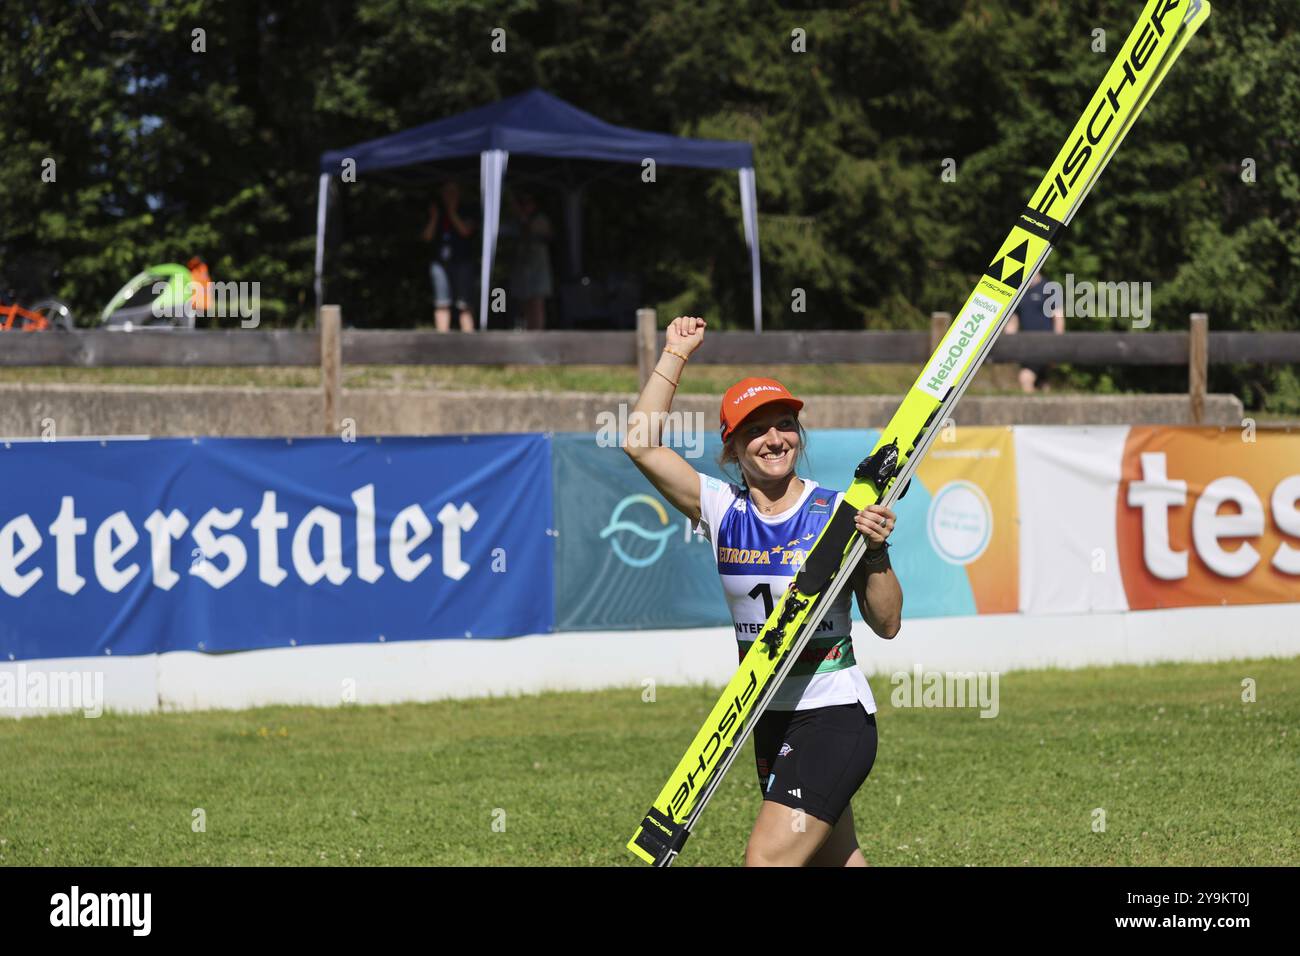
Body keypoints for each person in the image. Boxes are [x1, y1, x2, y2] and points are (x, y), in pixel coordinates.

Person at [622, 315, 903, 867]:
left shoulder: (836, 511)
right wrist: (675, 353)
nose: (775, 439)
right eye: (756, 429)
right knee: (835, 860)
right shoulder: (721, 508)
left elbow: (888, 623)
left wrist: (874, 551)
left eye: (784, 425)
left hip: (833, 711)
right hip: (764, 712)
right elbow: (638, 443)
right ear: (731, 447)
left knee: (768, 861)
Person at [421, 180, 478, 332]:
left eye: (452, 191)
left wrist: (452, 212)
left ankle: (470, 344)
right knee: (441, 302)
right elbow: (426, 237)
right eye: (446, 191)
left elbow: (466, 231)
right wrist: (434, 217)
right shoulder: (436, 211)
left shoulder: (467, 209)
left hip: (463, 261)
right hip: (440, 263)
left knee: (464, 303)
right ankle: (442, 343)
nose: (449, 195)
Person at [1005, 269, 1065, 392]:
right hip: (1026, 346)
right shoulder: (1019, 292)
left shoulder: (1050, 288)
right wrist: (1009, 346)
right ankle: (1046, 410)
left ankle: (1029, 410)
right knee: (1042, 383)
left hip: (1045, 344)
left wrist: (1058, 346)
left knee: (1025, 378)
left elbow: (1059, 319)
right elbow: (1013, 322)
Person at [506, 191, 553, 330]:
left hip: (538, 266)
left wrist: (522, 217)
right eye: (523, 204)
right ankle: (528, 331)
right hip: (522, 267)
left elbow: (545, 234)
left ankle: (538, 331)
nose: (526, 206)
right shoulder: (516, 221)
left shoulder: (540, 219)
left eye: (528, 203)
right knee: (524, 301)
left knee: (537, 301)